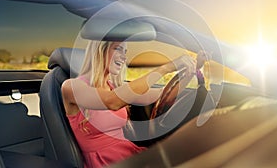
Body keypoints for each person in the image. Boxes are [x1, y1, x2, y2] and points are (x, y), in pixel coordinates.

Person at [61, 40, 207, 168]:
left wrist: (190, 72)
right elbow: (112, 102)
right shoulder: (72, 87)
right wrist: (166, 68)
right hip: (105, 163)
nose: (124, 57)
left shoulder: (114, 86)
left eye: (125, 52)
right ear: (100, 49)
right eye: (118, 49)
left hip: (128, 154)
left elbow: (160, 95)